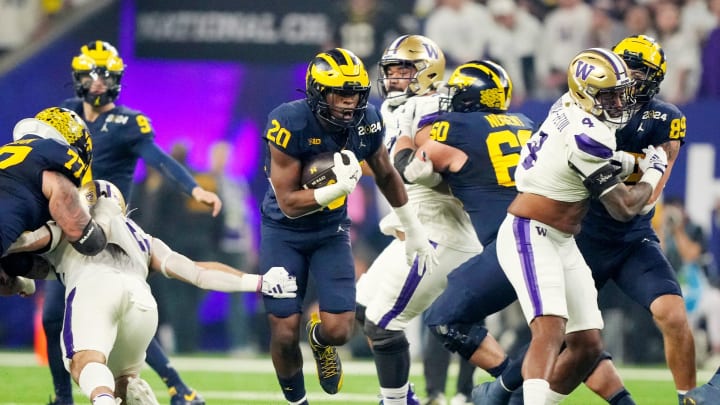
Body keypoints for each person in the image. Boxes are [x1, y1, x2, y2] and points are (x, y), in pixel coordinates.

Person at [3, 179, 297, 405]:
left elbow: (24, 242)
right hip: (141, 302)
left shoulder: (70, 223)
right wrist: (257, 282)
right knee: (121, 382)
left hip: (93, 290)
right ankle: (127, 389)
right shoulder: (142, 238)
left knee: (85, 364)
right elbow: (198, 273)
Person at [42, 40, 221, 405]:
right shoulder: (65, 114)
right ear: (77, 78)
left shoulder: (127, 123)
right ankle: (64, 397)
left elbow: (160, 160)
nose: (96, 83)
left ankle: (177, 385)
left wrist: (193, 190)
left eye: (104, 75)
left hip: (109, 233)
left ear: (116, 79)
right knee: (51, 317)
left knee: (126, 317)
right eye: (89, 75)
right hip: (69, 227)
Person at [260, 47, 436, 405]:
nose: (349, 101)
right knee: (283, 330)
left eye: (355, 92)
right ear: (317, 91)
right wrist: (335, 190)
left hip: (330, 231)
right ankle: (297, 401)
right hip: (284, 232)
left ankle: (320, 340)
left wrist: (412, 226)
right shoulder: (288, 121)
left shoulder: (367, 119)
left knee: (339, 330)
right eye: (340, 92)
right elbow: (289, 204)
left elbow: (386, 173)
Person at [495, 46, 669, 405]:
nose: (619, 103)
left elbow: (600, 157)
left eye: (620, 94)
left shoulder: (572, 109)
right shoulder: (586, 133)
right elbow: (624, 207)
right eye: (608, 95)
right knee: (550, 327)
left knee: (588, 344)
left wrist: (630, 162)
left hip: (561, 239)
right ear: (585, 93)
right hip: (530, 232)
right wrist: (653, 170)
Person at [353, 35, 481, 405]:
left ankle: (400, 400)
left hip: (440, 233)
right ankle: (407, 394)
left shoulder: (435, 108)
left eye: (404, 70)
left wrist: (427, 168)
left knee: (385, 322)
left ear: (428, 72)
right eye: (390, 71)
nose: (394, 79)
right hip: (416, 229)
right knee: (363, 309)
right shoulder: (400, 108)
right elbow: (390, 163)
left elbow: (426, 165)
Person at [0, 106, 105, 280]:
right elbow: (81, 234)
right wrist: (99, 232)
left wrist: (19, 265)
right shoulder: (55, 154)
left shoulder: (9, 154)